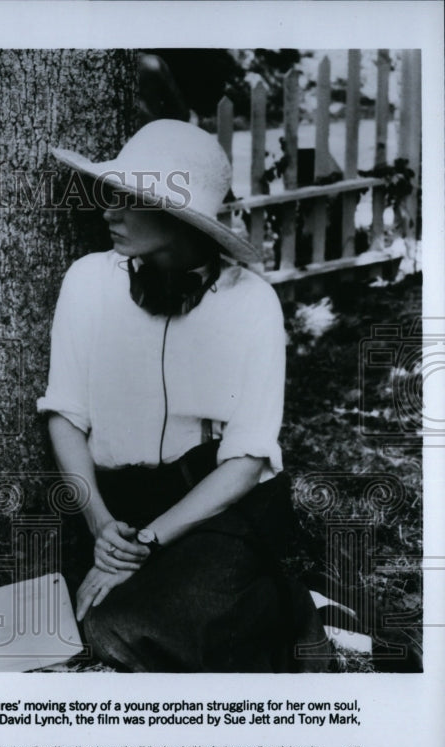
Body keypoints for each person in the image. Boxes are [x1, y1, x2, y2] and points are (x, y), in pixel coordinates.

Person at [40, 120, 329, 672]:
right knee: (79, 624)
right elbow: (65, 415)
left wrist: (146, 544)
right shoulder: (87, 281)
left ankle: (275, 601)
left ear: (177, 215)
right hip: (111, 510)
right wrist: (103, 528)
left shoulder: (252, 304)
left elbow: (246, 462)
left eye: (130, 199)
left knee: (120, 627)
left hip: (215, 509)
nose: (109, 212)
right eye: (112, 194)